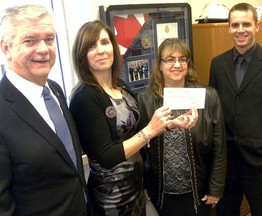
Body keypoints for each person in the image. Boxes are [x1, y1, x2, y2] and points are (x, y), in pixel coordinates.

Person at [69, 20, 196, 216]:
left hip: (135, 187)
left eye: (105, 42)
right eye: (92, 46)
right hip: (111, 197)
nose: (101, 50)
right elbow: (107, 156)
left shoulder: (119, 86)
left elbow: (137, 131)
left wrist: (170, 125)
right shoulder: (84, 97)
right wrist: (151, 130)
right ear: (82, 54)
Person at [0, 4, 89, 216]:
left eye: (49, 39)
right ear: (6, 48)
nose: (43, 49)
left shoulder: (55, 90)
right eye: (30, 40)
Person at [209, 3, 262, 216]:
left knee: (261, 212)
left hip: (260, 163)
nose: (240, 30)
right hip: (227, 162)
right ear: (228, 28)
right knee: (225, 212)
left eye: (246, 24)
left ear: (257, 26)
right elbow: (213, 113)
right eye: (235, 25)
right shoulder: (217, 64)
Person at [137, 38, 227, 216]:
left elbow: (219, 147)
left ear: (188, 64)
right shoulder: (145, 100)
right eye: (170, 59)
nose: (177, 64)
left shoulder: (208, 97)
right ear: (160, 66)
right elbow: (141, 151)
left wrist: (215, 187)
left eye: (182, 59)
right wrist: (143, 184)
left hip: (198, 190)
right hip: (162, 191)